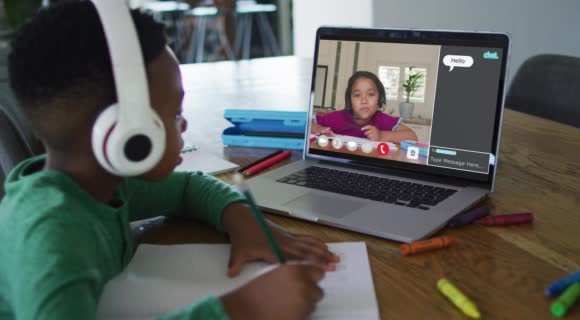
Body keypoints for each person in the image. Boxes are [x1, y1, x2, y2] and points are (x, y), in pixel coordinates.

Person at [0, 2, 338, 320]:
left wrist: (242, 219)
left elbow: (188, 187)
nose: (184, 124)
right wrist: (242, 307)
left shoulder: (100, 186)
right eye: (175, 113)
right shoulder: (51, 237)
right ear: (127, 135)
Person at [311, 71, 418, 143]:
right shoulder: (337, 118)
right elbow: (307, 123)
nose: (364, 100)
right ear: (350, 100)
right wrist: (318, 129)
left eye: (371, 94)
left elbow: (412, 136)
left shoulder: (381, 119)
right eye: (357, 95)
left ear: (379, 99)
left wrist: (381, 135)